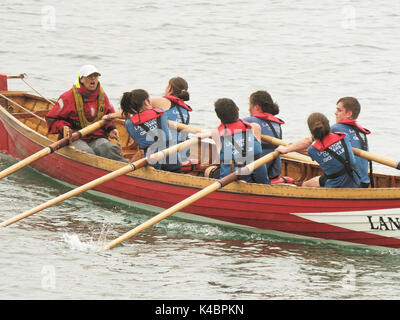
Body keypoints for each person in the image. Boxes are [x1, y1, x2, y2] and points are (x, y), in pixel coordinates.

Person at [45, 65, 126, 162]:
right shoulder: (67, 97)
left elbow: (108, 116)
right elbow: (52, 119)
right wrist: (64, 128)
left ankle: (127, 171)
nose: (93, 78)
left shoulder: (102, 96)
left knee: (110, 149)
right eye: (89, 76)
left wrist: (110, 129)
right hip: (75, 138)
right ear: (81, 79)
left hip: (96, 136)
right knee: (87, 153)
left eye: (95, 76)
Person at [104, 89, 181, 172]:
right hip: (174, 159)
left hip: (153, 162)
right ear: (146, 102)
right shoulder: (161, 113)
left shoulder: (129, 124)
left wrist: (109, 116)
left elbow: (129, 116)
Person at [276, 112, 360, 188]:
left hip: (334, 183)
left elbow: (309, 146)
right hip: (354, 179)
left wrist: (288, 148)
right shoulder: (344, 136)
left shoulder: (312, 150)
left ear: (311, 130)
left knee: (305, 185)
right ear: (328, 124)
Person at [199, 98, 269, 184]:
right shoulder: (251, 128)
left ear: (219, 117)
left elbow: (219, 157)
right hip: (260, 180)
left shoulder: (217, 135)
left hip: (233, 181)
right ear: (238, 109)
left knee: (208, 170)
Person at [243, 90, 284, 180]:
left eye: (250, 105)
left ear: (257, 107)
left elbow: (229, 129)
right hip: (272, 173)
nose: (248, 109)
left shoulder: (250, 121)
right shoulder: (277, 124)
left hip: (255, 173)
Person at [331, 97, 371, 188]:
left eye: (339, 110)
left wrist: (291, 148)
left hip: (349, 182)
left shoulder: (336, 129)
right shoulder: (361, 132)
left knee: (306, 184)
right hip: (364, 183)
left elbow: (311, 144)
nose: (335, 113)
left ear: (349, 114)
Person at [150, 77, 192, 146]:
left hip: (166, 149)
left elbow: (139, 103)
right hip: (182, 150)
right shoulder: (185, 109)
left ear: (169, 88)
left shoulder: (163, 102)